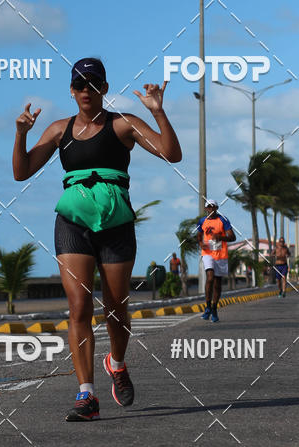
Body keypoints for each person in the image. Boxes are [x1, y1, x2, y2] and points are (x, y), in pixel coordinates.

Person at [13, 57, 182, 421]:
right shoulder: (60, 130)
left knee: (116, 308)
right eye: (79, 85)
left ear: (104, 89)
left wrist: (158, 113)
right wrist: (21, 134)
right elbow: (21, 172)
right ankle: (86, 394)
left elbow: (172, 154)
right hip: (72, 224)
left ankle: (116, 363)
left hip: (115, 224)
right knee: (79, 307)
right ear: (72, 91)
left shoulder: (123, 125)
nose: (86, 90)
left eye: (93, 84)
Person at [197, 200, 235, 322]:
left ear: (217, 208)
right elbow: (198, 234)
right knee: (210, 277)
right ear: (206, 209)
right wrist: (201, 243)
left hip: (221, 254)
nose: (210, 209)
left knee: (217, 283)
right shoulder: (202, 221)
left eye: (213, 207)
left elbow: (232, 237)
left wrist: (220, 237)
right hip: (208, 253)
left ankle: (214, 308)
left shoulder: (223, 220)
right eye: (208, 207)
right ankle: (207, 306)